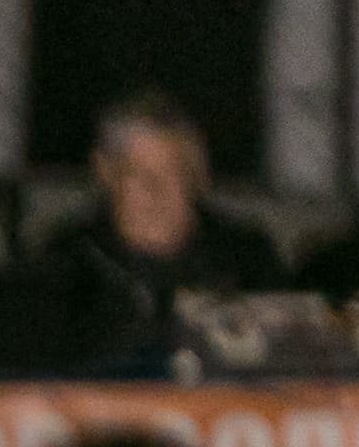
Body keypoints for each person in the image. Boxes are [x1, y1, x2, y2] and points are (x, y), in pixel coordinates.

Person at [43, 88, 282, 373]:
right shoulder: (65, 262)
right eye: (137, 173)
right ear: (105, 172)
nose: (155, 190)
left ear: (195, 175)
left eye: (171, 172)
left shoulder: (247, 259)